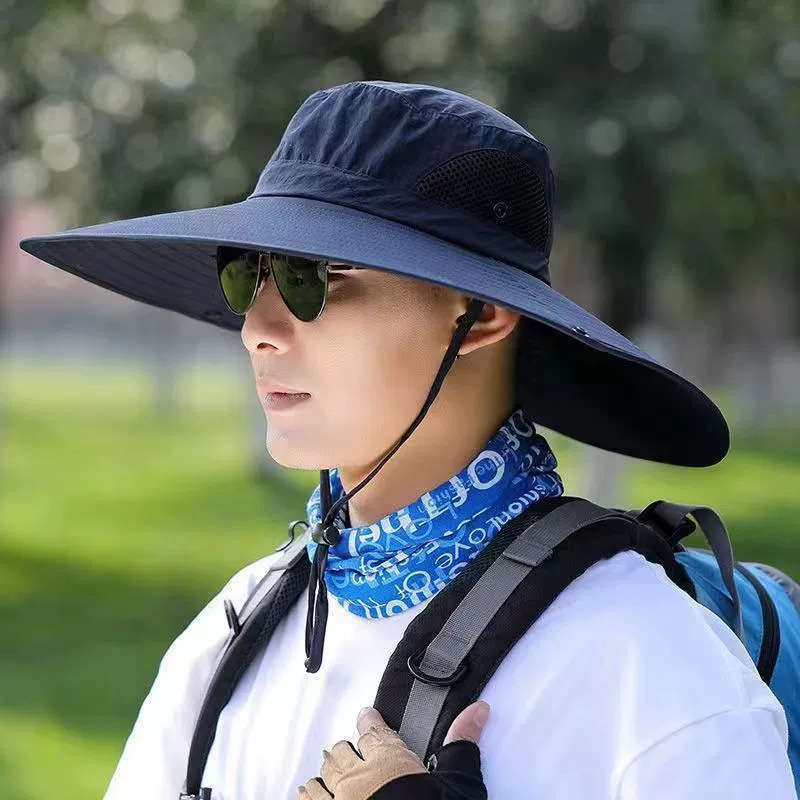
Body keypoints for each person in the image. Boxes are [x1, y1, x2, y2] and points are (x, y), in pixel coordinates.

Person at [19, 81, 796, 799]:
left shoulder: (648, 663)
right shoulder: (231, 636)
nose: (257, 328)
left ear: (481, 315)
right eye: (246, 276)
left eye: (314, 278)